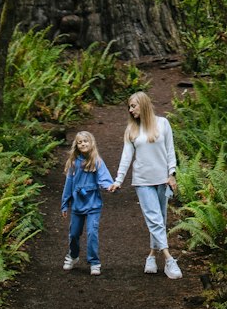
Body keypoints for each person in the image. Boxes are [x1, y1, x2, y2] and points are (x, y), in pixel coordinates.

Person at [110, 91, 183, 279]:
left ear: (143, 104)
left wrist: (172, 174)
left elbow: (170, 150)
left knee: (161, 218)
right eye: (129, 107)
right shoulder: (131, 130)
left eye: (133, 105)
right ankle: (168, 259)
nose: (130, 109)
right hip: (142, 181)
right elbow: (126, 158)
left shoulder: (163, 123)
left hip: (163, 179)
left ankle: (151, 255)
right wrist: (118, 180)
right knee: (154, 219)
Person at [61, 129, 114, 275]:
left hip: (93, 204)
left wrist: (110, 186)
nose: (83, 144)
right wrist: (65, 204)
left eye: (85, 141)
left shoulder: (96, 161)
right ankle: (73, 255)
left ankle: (94, 262)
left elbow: (104, 178)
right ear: (76, 145)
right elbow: (68, 184)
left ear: (91, 143)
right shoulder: (73, 163)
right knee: (74, 233)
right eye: (80, 142)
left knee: (92, 233)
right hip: (77, 205)